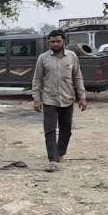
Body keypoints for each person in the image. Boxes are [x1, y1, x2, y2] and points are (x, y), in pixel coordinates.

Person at [31, 30, 88, 172]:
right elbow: (37, 79)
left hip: (67, 99)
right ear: (49, 43)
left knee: (66, 130)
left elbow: (78, 77)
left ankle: (60, 152)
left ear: (64, 41)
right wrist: (36, 99)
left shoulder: (72, 57)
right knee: (49, 130)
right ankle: (52, 159)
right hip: (49, 99)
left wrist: (82, 97)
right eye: (52, 42)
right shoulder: (43, 58)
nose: (55, 44)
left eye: (58, 41)